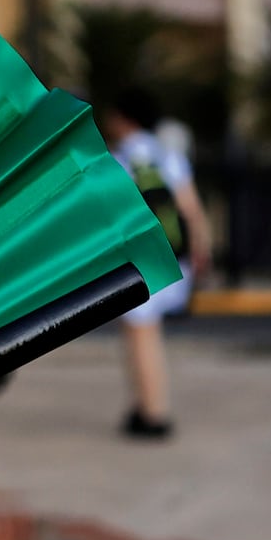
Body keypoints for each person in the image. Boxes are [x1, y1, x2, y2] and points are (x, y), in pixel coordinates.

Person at [101, 90, 211, 441]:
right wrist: (200, 251)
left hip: (140, 262)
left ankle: (153, 413)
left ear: (123, 118)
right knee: (148, 334)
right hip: (173, 258)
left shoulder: (118, 158)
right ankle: (145, 405)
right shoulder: (168, 155)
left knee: (142, 337)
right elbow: (190, 208)